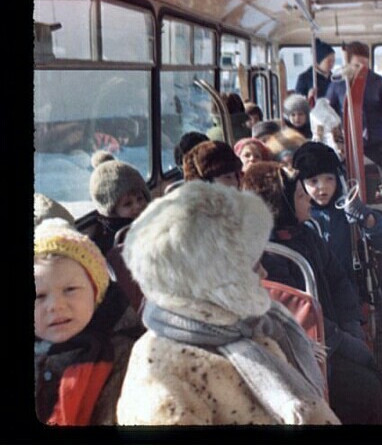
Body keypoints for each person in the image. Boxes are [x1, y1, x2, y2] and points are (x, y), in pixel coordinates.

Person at [116, 181, 340, 425]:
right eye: (252, 267)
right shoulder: (164, 382)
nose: (264, 274)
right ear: (213, 282)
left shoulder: (249, 323)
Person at [242, 161, 382, 424]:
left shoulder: (306, 234)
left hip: (332, 329)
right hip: (306, 342)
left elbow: (338, 278)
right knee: (365, 387)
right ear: (279, 205)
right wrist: (342, 341)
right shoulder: (269, 254)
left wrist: (351, 323)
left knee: (370, 369)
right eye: (299, 195)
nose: (308, 198)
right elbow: (295, 314)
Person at [34, 218, 143, 425]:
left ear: (96, 293)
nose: (55, 306)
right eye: (38, 296)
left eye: (70, 290)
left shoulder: (123, 355)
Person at [292, 142, 382, 288]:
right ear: (300, 183)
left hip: (348, 287)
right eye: (313, 181)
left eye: (329, 179)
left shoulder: (347, 208)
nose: (322, 187)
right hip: (311, 289)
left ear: (339, 178)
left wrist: (366, 217)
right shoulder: (297, 214)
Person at [324, 41, 382, 205]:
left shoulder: (377, 81)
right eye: (357, 64)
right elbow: (329, 108)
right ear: (349, 63)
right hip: (348, 137)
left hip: (375, 136)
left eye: (365, 64)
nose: (361, 68)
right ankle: (347, 200)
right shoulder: (338, 82)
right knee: (341, 168)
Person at [87, 151, 151, 255]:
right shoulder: (113, 239)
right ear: (112, 211)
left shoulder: (149, 218)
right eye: (127, 204)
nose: (137, 206)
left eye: (140, 198)